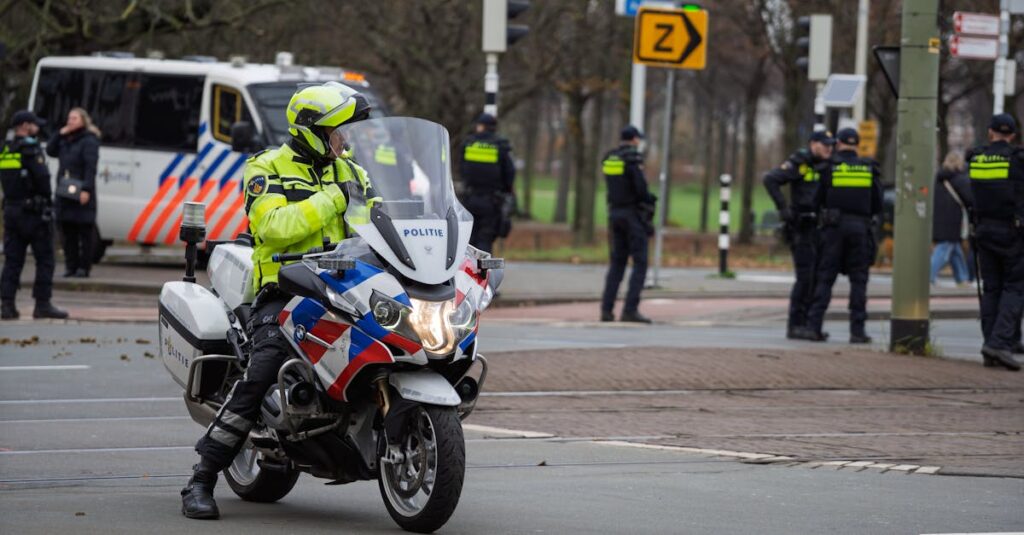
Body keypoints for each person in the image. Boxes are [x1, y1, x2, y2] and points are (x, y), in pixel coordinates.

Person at [181, 82, 373, 519]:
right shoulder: (266, 167)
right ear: (313, 132)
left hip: (348, 288)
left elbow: (379, 221)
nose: (345, 140)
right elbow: (273, 228)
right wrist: (333, 199)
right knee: (263, 369)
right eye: (338, 132)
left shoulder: (352, 171)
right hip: (286, 290)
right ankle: (202, 478)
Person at [795, 128, 883, 344]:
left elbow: (816, 201)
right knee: (859, 281)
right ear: (857, 145)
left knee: (825, 278)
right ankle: (857, 331)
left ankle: (814, 327)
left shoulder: (829, 168)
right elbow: (878, 204)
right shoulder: (868, 169)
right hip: (861, 230)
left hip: (833, 230)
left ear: (838, 144)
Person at [963, 113, 1024, 371]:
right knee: (1015, 288)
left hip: (984, 231)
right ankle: (999, 343)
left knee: (992, 288)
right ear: (1013, 135)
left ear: (990, 132)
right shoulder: (1017, 159)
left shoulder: (976, 158)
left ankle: (990, 345)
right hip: (1012, 233)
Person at [763, 130, 835, 338]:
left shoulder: (828, 165)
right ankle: (795, 325)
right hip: (802, 227)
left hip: (820, 227)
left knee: (816, 278)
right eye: (825, 144)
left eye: (831, 145)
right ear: (813, 144)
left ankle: (809, 325)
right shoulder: (800, 162)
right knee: (805, 277)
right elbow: (770, 179)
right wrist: (783, 208)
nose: (829, 148)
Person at [0, 111, 68, 320]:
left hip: (11, 211)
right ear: (25, 125)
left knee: (12, 261)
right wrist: (47, 201)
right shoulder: (31, 149)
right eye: (34, 124)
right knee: (45, 259)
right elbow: (43, 180)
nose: (37, 128)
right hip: (34, 214)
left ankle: (7, 305)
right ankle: (42, 304)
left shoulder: (6, 149)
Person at [599, 125, 657, 324]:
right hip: (633, 216)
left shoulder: (610, 158)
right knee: (640, 263)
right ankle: (630, 310)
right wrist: (649, 199)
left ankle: (606, 310)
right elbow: (640, 189)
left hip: (614, 213)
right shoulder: (633, 159)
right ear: (634, 139)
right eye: (638, 139)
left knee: (617, 264)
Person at [46, 107, 100, 278]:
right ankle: (71, 266)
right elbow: (50, 150)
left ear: (83, 121)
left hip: (81, 191)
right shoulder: (65, 139)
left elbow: (90, 167)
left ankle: (84, 268)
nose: (70, 121)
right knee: (68, 232)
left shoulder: (89, 140)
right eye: (69, 118)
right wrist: (59, 134)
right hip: (64, 192)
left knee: (84, 232)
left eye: (74, 118)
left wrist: (86, 189)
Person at [459, 113, 515, 253]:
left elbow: (462, 168)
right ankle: (483, 266)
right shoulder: (500, 145)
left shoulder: (469, 143)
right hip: (491, 200)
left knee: (469, 237)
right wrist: (507, 190)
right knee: (485, 237)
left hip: (470, 198)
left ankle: (468, 266)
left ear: (481, 126)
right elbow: (510, 172)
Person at [930, 152, 973, 286]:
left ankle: (962, 278)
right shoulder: (958, 178)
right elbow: (970, 198)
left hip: (940, 218)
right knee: (944, 248)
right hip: (954, 219)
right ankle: (928, 277)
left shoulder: (939, 178)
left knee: (955, 250)